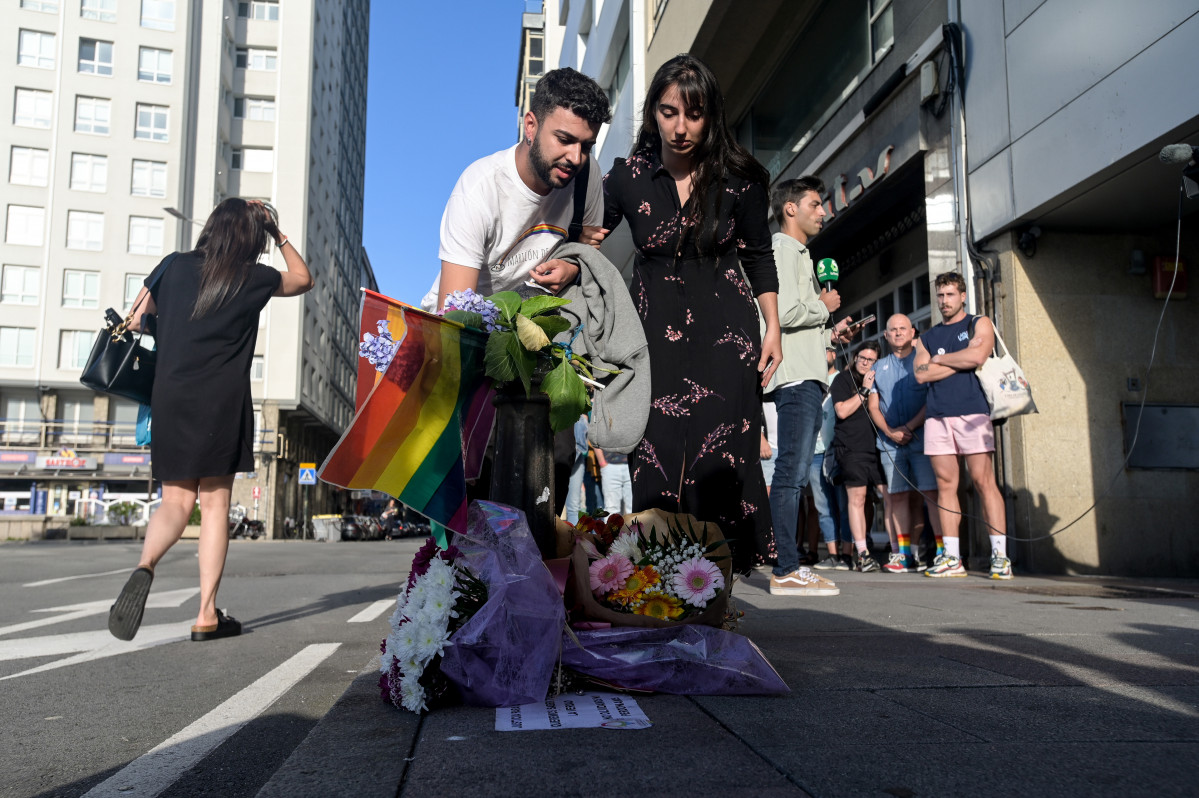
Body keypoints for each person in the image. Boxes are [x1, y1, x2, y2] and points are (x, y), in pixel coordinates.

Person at [601, 54, 789, 578]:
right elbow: (588, 234)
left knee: (720, 462)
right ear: (652, 114)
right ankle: (660, 588)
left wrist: (772, 326)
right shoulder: (626, 177)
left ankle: (714, 592)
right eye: (668, 112)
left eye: (694, 113)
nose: (680, 128)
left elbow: (758, 255)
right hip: (651, 337)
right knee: (656, 455)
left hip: (727, 336)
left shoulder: (740, 180)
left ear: (711, 116)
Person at [108, 198, 313, 642]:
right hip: (221, 400)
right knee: (214, 505)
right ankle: (206, 614)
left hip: (171, 396)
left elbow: (138, 318)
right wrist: (276, 232)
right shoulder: (253, 277)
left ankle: (145, 564)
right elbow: (303, 279)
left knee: (175, 502)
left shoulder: (173, 267)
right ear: (250, 236)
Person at [420, 68, 612, 311]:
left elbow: (585, 253)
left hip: (532, 325)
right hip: (469, 327)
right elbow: (454, 316)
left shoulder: (586, 174)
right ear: (530, 126)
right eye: (564, 140)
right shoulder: (479, 189)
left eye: (586, 146)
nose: (575, 157)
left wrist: (571, 268)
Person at [762, 176, 860, 594]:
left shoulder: (798, 252)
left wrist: (831, 333)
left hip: (806, 371)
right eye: (816, 204)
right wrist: (823, 306)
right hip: (796, 376)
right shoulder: (783, 250)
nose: (824, 212)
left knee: (794, 473)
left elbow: (800, 320)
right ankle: (786, 567)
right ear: (791, 209)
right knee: (791, 473)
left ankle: (788, 564)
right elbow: (780, 313)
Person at [914, 272, 1012, 579]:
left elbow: (978, 355)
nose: (944, 301)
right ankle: (952, 558)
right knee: (946, 486)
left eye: (950, 295)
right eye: (940, 295)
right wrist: (958, 359)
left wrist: (939, 361)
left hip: (972, 413)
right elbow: (920, 374)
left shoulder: (978, 323)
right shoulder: (927, 336)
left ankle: (1000, 556)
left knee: (984, 482)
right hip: (938, 416)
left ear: (963, 295)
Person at [868, 314, 944, 572]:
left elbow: (932, 398)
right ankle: (904, 554)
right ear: (886, 336)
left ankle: (943, 552)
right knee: (897, 497)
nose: (898, 333)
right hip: (891, 445)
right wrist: (890, 432)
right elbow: (873, 406)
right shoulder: (877, 367)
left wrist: (909, 427)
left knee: (932, 494)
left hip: (923, 439)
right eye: (893, 330)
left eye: (903, 328)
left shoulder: (924, 361)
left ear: (913, 332)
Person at [830, 340, 886, 573]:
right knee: (858, 499)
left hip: (879, 447)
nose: (864, 362)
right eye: (861, 357)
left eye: (870, 359)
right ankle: (862, 555)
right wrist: (863, 390)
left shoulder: (880, 378)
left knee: (890, 497)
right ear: (854, 357)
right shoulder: (843, 380)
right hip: (850, 448)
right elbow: (841, 410)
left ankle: (901, 551)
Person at [811, 346, 853, 570]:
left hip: (839, 451)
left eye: (826, 349)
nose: (821, 354)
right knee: (823, 506)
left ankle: (847, 554)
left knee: (845, 504)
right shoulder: (810, 381)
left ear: (834, 354)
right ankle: (832, 554)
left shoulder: (843, 379)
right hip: (814, 452)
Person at [594, 445, 632, 515]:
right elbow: (594, 437)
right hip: (609, 465)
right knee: (611, 509)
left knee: (633, 507)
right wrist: (602, 462)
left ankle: (633, 526)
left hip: (632, 463)